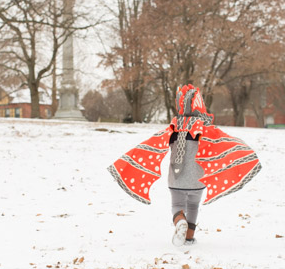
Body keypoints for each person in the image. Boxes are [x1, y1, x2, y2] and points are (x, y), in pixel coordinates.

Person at [107, 84, 262, 246]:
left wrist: (131, 159)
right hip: (198, 178)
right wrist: (242, 151)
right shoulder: (205, 128)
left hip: (176, 178)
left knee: (178, 205)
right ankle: (189, 237)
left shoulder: (174, 127)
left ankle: (180, 221)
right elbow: (224, 141)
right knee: (193, 206)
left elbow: (152, 144)